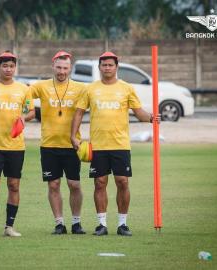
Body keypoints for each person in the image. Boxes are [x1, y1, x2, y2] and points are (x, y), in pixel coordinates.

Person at [71, 51, 160, 236]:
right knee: (100, 183)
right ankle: (101, 224)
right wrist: (74, 135)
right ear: (99, 67)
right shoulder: (90, 89)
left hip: (120, 145)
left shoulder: (126, 88)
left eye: (110, 65)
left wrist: (152, 118)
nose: (107, 68)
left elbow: (138, 112)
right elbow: (79, 112)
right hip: (98, 146)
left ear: (116, 67)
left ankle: (122, 224)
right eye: (104, 65)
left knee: (122, 182)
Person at [0, 51, 34, 238]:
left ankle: (9, 227)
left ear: (15, 67)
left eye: (11, 66)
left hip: (16, 147)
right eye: (5, 66)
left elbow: (31, 112)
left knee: (14, 185)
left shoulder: (23, 89)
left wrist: (24, 118)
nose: (8, 69)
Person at [29, 51, 86, 235]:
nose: (62, 71)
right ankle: (59, 223)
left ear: (70, 68)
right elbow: (22, 93)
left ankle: (76, 223)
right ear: (53, 66)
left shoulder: (80, 88)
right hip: (49, 145)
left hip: (72, 145)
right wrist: (26, 112)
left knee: (74, 185)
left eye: (65, 68)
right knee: (53, 185)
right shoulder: (42, 86)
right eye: (59, 67)